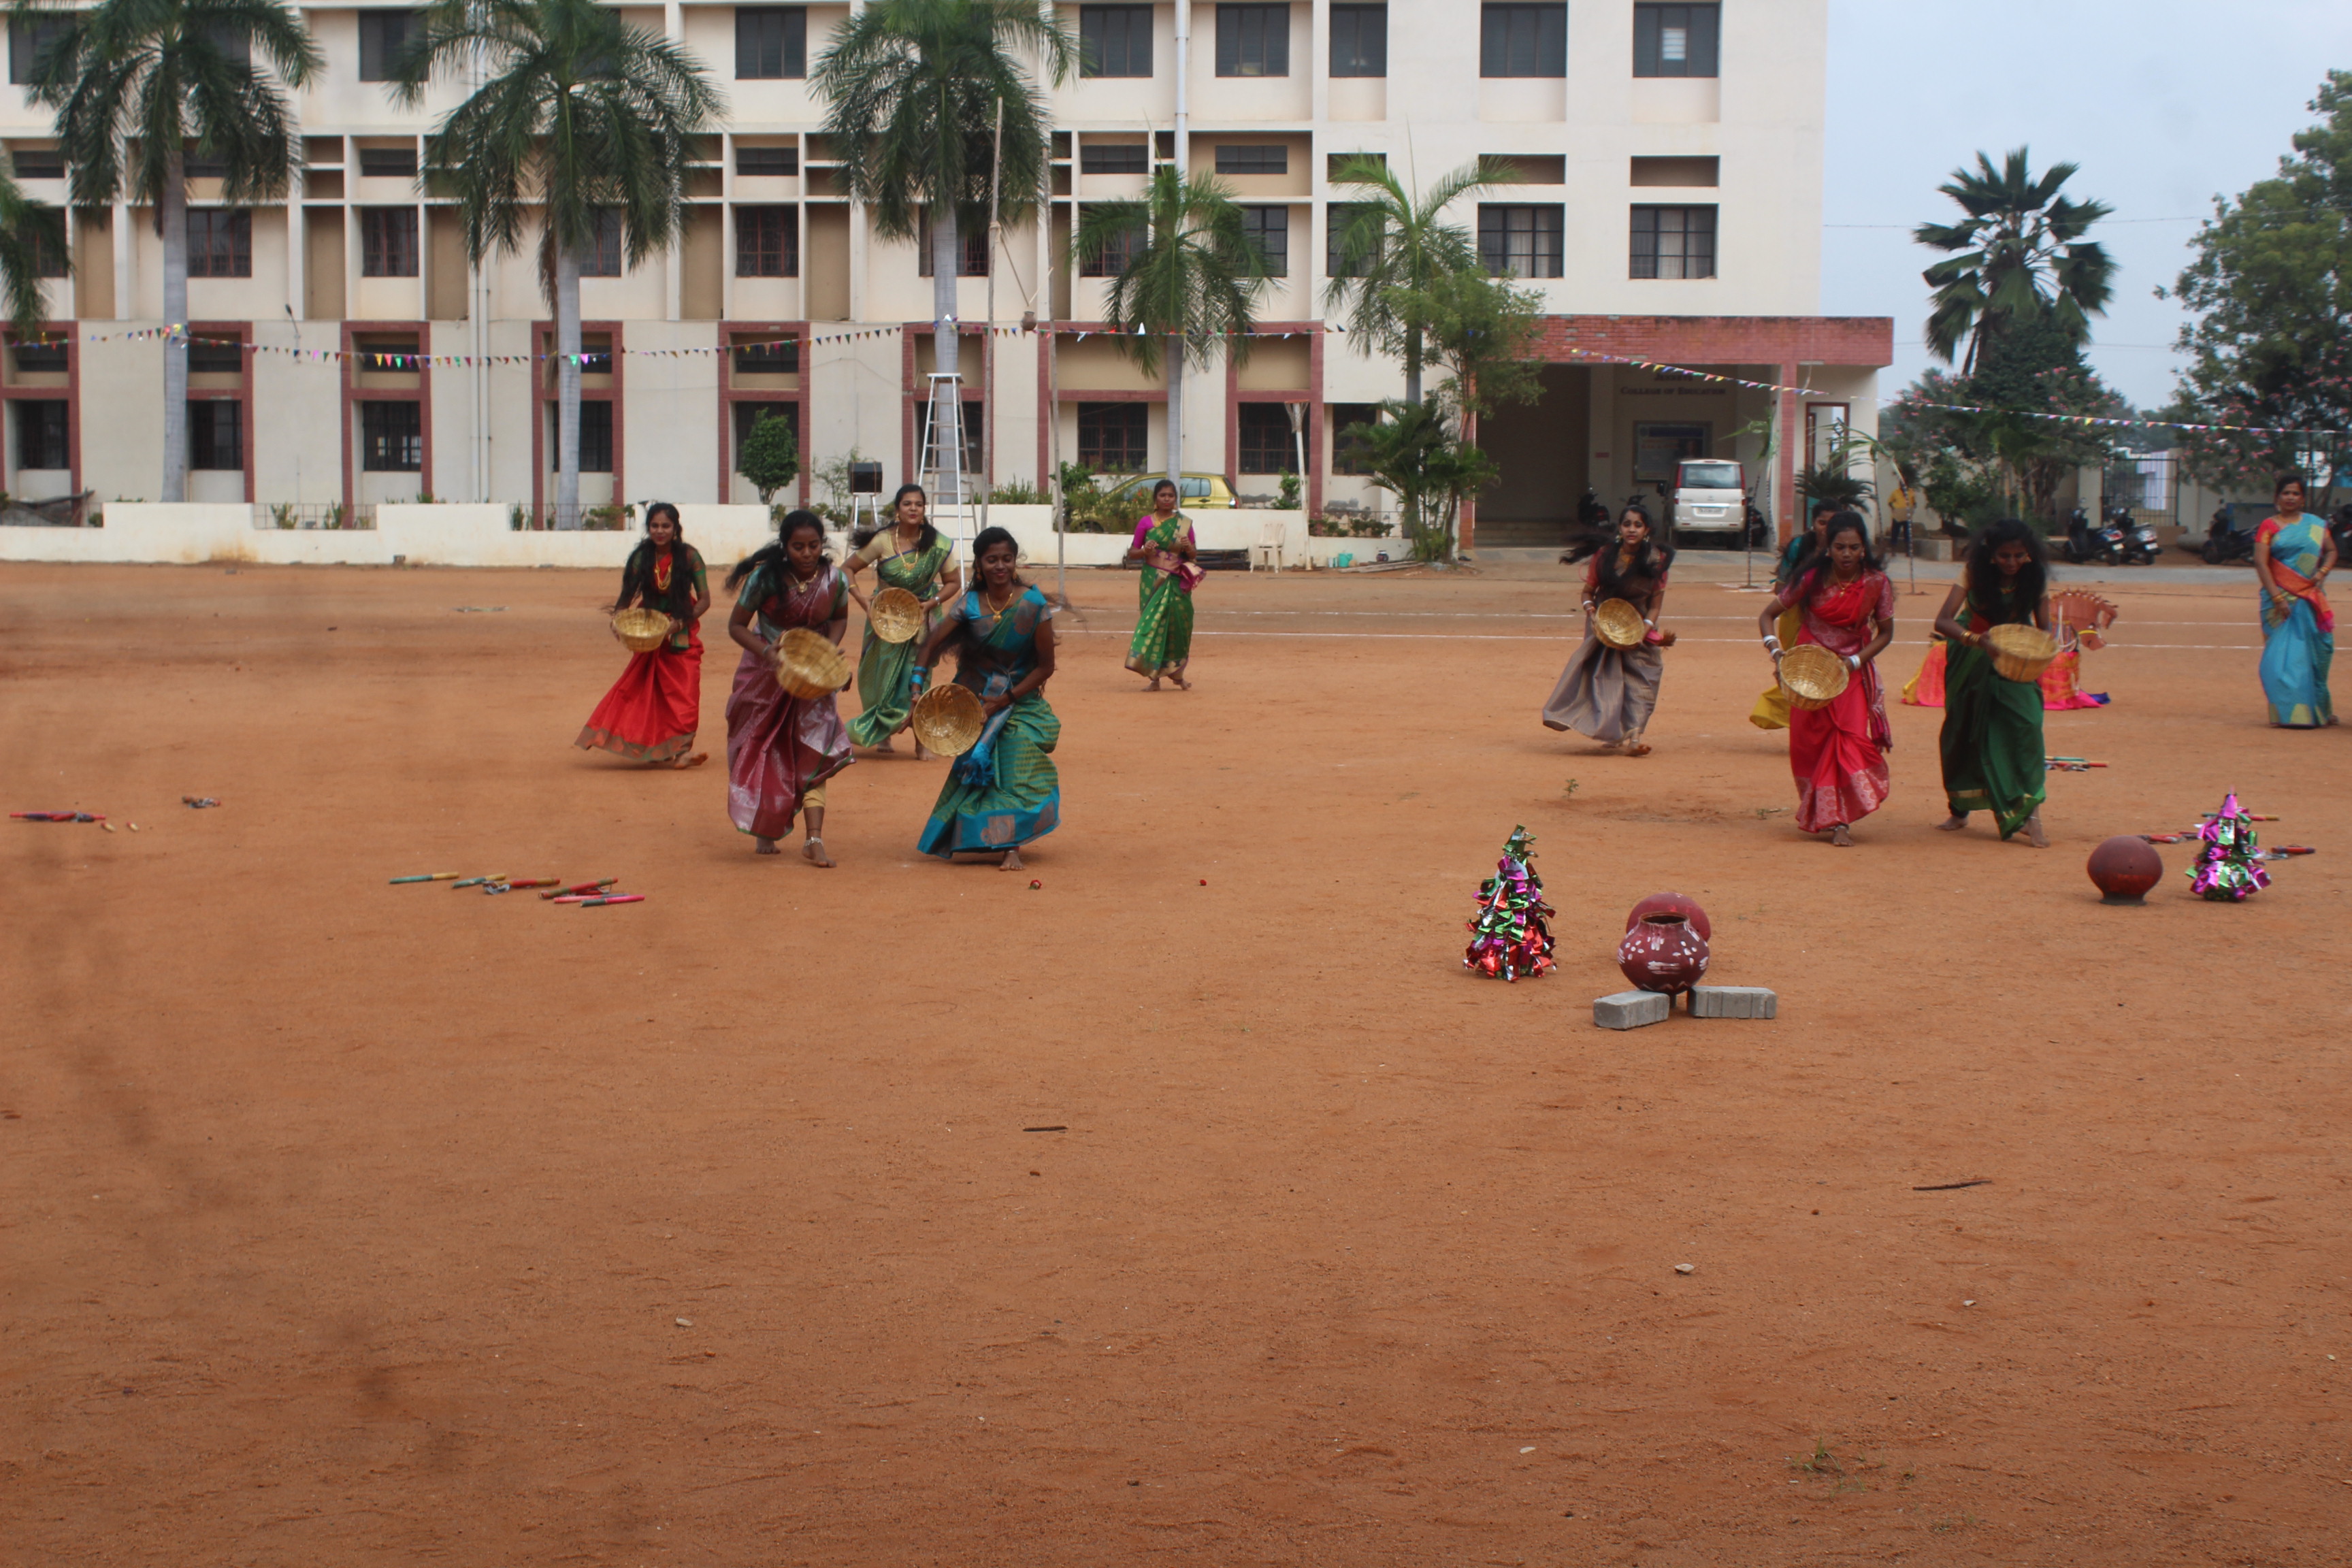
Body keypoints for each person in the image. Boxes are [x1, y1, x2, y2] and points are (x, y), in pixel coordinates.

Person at [912, 526, 1061, 870]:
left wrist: (1006, 698)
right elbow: (931, 644)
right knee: (988, 774)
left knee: (1017, 768)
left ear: (1014, 562)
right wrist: (917, 689)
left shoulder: (1032, 604)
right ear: (979, 564)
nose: (1000, 566)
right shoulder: (969, 605)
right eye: (992, 559)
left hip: (1019, 703)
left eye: (1007, 559)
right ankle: (988, 837)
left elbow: (1046, 667)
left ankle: (1012, 846)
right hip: (976, 705)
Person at [1754, 510, 1895, 847]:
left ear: (1864, 549)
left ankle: (1841, 820)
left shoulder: (1876, 583)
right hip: (1809, 674)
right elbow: (1767, 616)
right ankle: (1823, 814)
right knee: (1810, 745)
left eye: (1854, 547)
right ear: (1828, 548)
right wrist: (1778, 655)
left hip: (1850, 672)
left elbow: (1886, 633)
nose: (1847, 554)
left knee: (1848, 738)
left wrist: (1854, 661)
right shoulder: (1811, 578)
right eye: (1840, 547)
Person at [723, 510, 855, 864]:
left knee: (815, 751)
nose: (807, 553)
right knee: (759, 747)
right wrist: (767, 652)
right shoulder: (765, 580)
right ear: (785, 547)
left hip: (813, 678)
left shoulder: (834, 580)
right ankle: (766, 826)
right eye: (798, 547)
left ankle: (814, 838)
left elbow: (840, 617)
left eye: (813, 546)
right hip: (764, 674)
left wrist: (829, 651)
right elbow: (736, 626)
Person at [1931, 518, 2052, 847]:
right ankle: (1959, 809)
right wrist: (1977, 641)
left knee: (2027, 725)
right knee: (1963, 731)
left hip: (2015, 659)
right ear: (1990, 554)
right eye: (2004, 556)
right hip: (1970, 656)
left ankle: (2030, 813)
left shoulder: (2036, 576)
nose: (2012, 563)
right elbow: (1943, 621)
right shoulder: (1973, 573)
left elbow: (2046, 629)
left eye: (2019, 555)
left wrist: (2035, 649)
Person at [576, 502, 710, 767]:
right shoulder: (641, 558)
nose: (660, 531)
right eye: (654, 526)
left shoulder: (690, 557)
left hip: (681, 631)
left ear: (675, 528)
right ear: (648, 528)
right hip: (650, 631)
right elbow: (626, 598)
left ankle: (682, 749)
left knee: (685, 692)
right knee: (649, 693)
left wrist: (680, 623)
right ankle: (659, 749)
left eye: (665, 526)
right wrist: (617, 620)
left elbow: (705, 600)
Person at [1542, 505, 1674, 756]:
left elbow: (1655, 605)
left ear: (1647, 530)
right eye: (1627, 524)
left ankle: (1635, 735)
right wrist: (1593, 613)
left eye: (1638, 525)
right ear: (1620, 528)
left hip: (1641, 627)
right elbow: (1587, 593)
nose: (1631, 530)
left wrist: (1643, 630)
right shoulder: (1604, 556)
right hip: (1605, 627)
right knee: (1607, 682)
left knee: (1645, 680)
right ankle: (1616, 734)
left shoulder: (1656, 560)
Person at [843, 483, 962, 753]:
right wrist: (862, 600)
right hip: (886, 622)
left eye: (918, 504)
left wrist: (930, 604)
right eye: (907, 504)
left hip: (922, 622)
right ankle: (882, 735)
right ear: (898, 509)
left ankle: (921, 740)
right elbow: (848, 569)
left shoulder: (938, 544)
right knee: (878, 678)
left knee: (917, 677)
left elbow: (953, 583)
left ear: (924, 509)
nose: (913, 509)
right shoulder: (883, 541)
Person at [1748, 497, 1844, 731]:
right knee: (1799, 668)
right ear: (1813, 524)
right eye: (1822, 522)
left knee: (1828, 670)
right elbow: (1781, 587)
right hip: (1796, 614)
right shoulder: (1799, 547)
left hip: (1833, 618)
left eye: (1832, 523)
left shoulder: (1846, 547)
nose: (1826, 528)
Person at [2253, 473, 2336, 728]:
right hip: (2278, 602)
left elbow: (2332, 551)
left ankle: (2319, 711)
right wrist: (2278, 597)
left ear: (2302, 498)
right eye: (2286, 493)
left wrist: (2321, 573)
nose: (2290, 497)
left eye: (2296, 493)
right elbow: (2261, 562)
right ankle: (2289, 713)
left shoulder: (2316, 525)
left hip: (2309, 599)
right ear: (2277, 497)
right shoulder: (2269, 526)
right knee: (2281, 660)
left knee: (2315, 656)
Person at [1124, 478, 1200, 690]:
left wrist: (1187, 546)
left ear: (1176, 499)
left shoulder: (1184, 524)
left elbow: (1193, 555)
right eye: (1162, 495)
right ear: (1156, 499)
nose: (1167, 499)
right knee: (1154, 626)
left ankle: (1178, 675)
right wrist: (1145, 550)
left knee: (1179, 626)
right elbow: (1132, 553)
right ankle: (1154, 678)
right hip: (1153, 581)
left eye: (1171, 496)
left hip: (1176, 581)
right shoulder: (1146, 523)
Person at [1886, 474, 1917, 551]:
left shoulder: (1911, 492)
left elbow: (1914, 503)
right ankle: (1893, 550)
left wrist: (1912, 508)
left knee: (1908, 534)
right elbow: (1890, 502)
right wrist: (1894, 507)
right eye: (1901, 484)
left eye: (1905, 484)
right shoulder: (1895, 492)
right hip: (1897, 516)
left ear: (1907, 484)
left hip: (1907, 515)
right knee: (1895, 533)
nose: (1903, 485)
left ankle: (1908, 551)